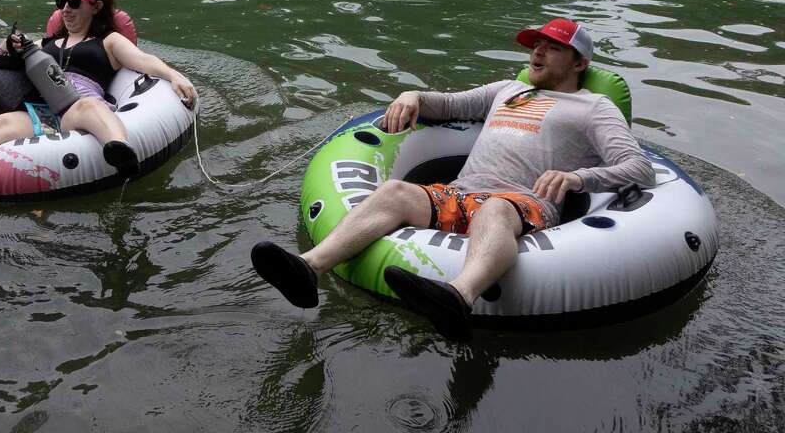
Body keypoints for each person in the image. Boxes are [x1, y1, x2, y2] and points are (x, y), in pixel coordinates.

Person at [249, 18, 655, 342]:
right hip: (460, 193)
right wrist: (414, 96)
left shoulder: (594, 108)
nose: (538, 51)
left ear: (580, 63)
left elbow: (639, 168)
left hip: (522, 203)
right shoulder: (507, 90)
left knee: (495, 209)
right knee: (394, 191)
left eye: (553, 47)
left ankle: (458, 296)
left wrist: (577, 177)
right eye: (536, 44)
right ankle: (307, 269)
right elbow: (448, 105)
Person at [0, 0, 198, 198]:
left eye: (74, 3)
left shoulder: (107, 41)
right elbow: (2, 53)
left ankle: (120, 150)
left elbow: (142, 59)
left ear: (95, 6)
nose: (66, 10)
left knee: (88, 106)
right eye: (61, 4)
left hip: (76, 105)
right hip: (41, 109)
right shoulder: (46, 43)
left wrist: (175, 76)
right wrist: (10, 44)